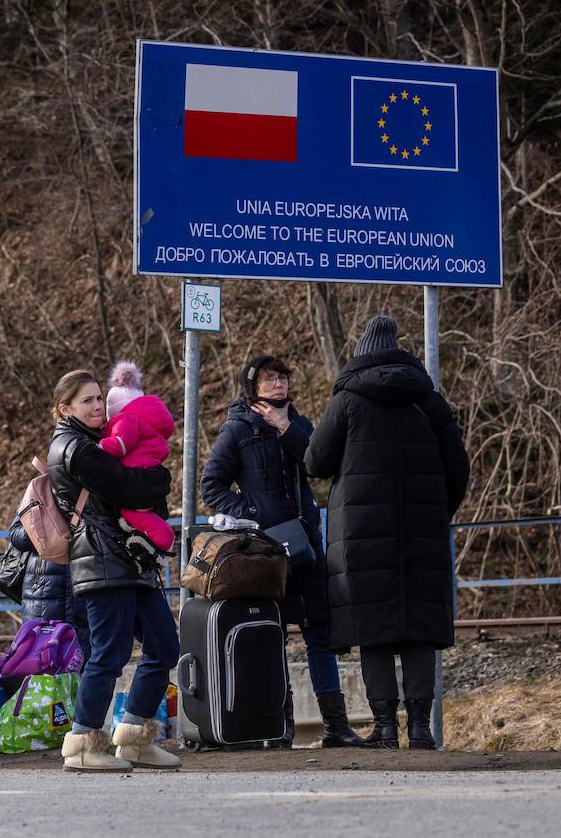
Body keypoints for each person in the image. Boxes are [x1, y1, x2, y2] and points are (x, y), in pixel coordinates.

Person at [304, 316, 469, 750]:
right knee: (417, 626)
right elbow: (459, 468)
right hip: (422, 529)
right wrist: (435, 512)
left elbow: (316, 461)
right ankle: (420, 727)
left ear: (360, 353)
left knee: (371, 624)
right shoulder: (430, 401)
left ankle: (383, 727)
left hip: (360, 533)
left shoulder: (349, 400)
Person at [200, 355, 366, 749]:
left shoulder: (298, 421)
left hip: (307, 542)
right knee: (272, 634)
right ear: (253, 386)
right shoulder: (237, 429)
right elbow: (212, 486)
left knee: (319, 633)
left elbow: (317, 464)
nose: (278, 385)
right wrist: (254, 516)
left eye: (283, 378)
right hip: (265, 550)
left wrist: (285, 427)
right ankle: (281, 725)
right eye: (270, 379)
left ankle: (336, 726)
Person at [48, 370, 181, 773]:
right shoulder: (73, 448)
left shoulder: (100, 442)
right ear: (64, 408)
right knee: (109, 653)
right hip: (102, 561)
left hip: (130, 560)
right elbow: (128, 487)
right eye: (86, 400)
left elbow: (139, 483)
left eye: (99, 398)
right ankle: (83, 745)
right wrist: (159, 477)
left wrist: (155, 479)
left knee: (164, 647)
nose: (97, 406)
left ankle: (134, 739)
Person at [99, 360, 177, 567]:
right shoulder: (148, 419)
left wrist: (100, 447)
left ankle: (163, 539)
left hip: (136, 476)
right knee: (142, 513)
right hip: (149, 474)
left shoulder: (127, 419)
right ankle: (152, 538)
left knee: (130, 512)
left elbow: (121, 443)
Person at [6, 514, 89, 659]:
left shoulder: (98, 492)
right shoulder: (39, 491)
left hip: (87, 586)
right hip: (41, 591)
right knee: (42, 662)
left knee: (87, 661)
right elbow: (16, 534)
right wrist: (46, 528)